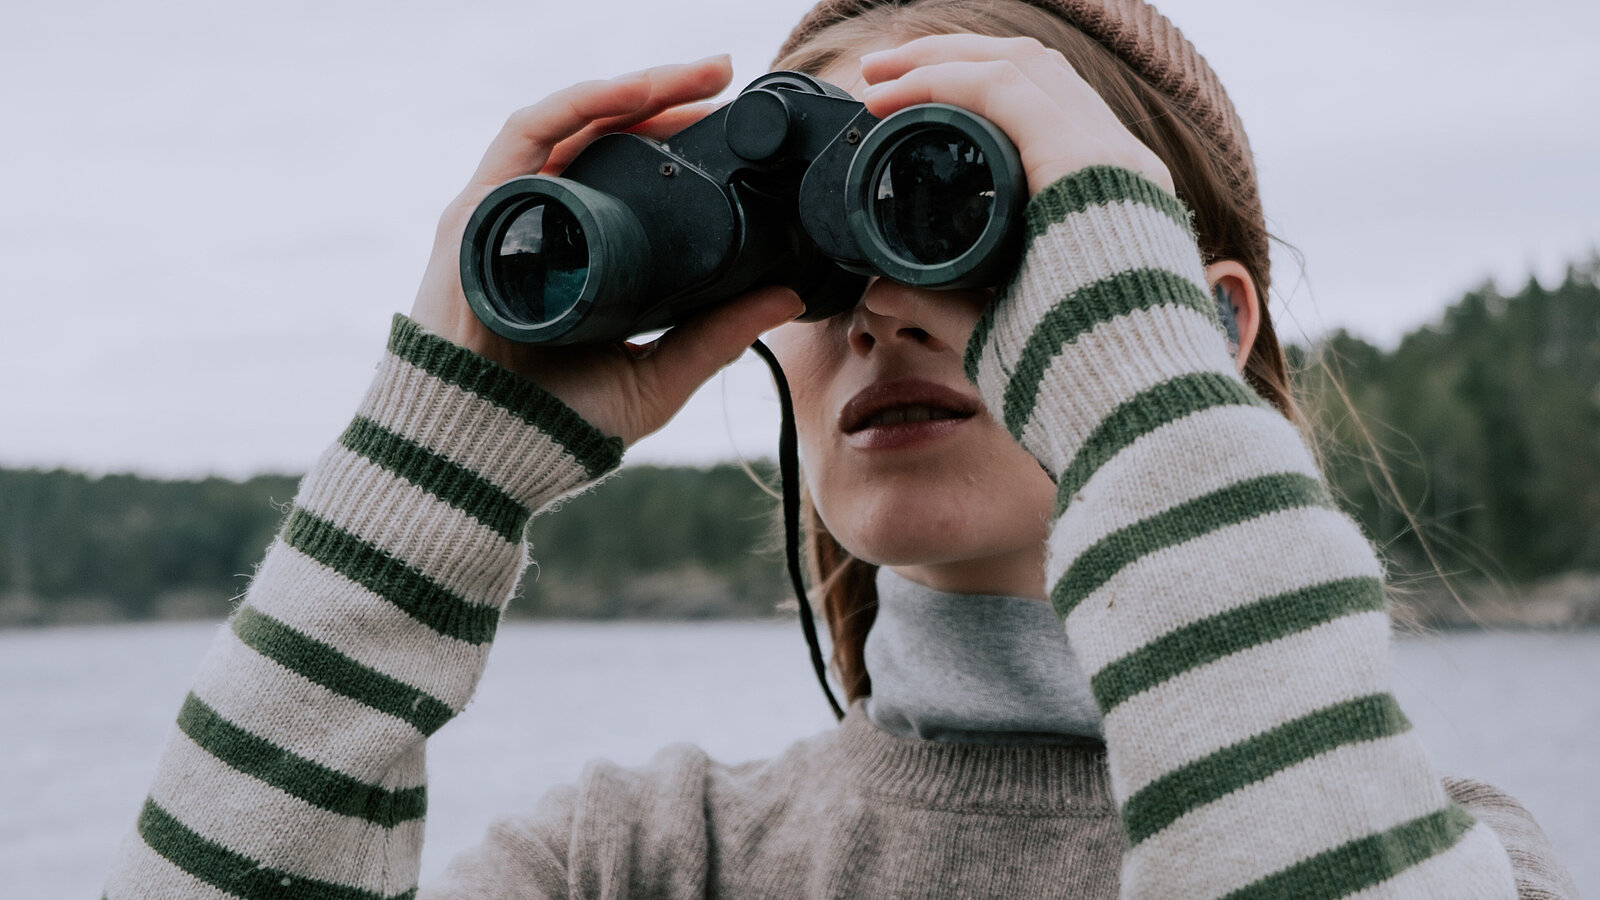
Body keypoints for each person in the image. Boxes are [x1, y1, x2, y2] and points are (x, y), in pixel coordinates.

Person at [103, 0, 1576, 897]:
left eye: (949, 214)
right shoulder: (645, 863)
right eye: (815, 262)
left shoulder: (1448, 860)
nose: (878, 310)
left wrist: (1143, 389)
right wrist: (427, 472)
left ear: (1195, 319)